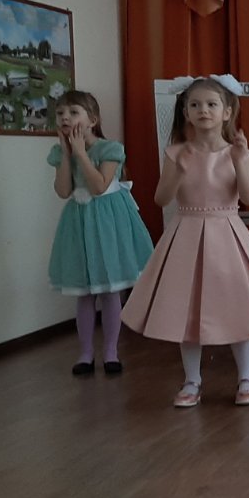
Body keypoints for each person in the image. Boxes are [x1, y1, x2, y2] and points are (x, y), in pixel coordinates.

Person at [122, 75, 249, 408]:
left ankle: (246, 377)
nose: (203, 110)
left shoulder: (236, 151)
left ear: (227, 112)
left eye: (211, 104)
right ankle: (192, 380)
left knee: (238, 308)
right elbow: (161, 199)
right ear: (186, 112)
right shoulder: (176, 152)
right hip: (186, 235)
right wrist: (177, 170)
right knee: (186, 311)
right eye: (195, 104)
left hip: (227, 235)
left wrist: (241, 162)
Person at [47, 90, 154, 377]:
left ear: (92, 120)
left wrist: (81, 153)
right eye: (60, 113)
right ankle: (85, 353)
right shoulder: (60, 152)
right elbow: (63, 191)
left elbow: (98, 186)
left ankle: (110, 352)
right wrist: (67, 154)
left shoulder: (110, 149)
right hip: (79, 222)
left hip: (108, 223)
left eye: (73, 112)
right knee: (83, 292)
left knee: (109, 290)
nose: (65, 118)